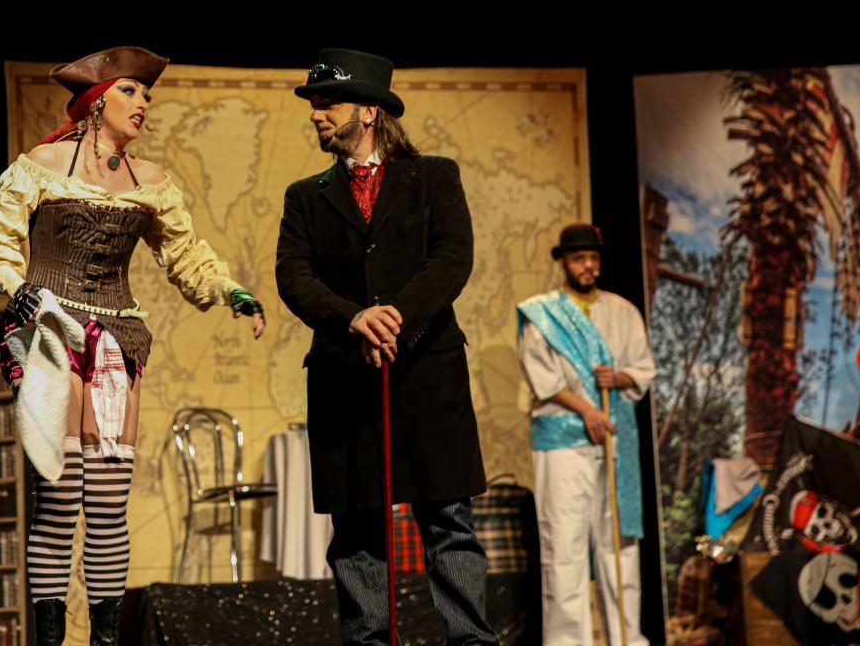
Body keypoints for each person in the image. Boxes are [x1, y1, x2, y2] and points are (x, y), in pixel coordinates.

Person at [0, 46, 265, 646]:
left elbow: (185, 257)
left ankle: (104, 640)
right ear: (97, 103)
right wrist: (21, 291)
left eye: (147, 94)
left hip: (117, 337)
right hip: (50, 331)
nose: (143, 102)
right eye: (131, 91)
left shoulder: (150, 182)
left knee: (107, 501)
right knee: (59, 498)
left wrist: (230, 292)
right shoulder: (44, 164)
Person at [275, 48, 495, 645]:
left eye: (329, 103)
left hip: (427, 372)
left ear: (369, 112)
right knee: (356, 531)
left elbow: (452, 258)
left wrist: (394, 317)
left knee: (448, 520)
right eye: (315, 105)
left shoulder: (434, 177)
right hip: (345, 378)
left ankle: (471, 640)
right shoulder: (305, 196)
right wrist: (353, 319)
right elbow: (293, 275)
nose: (317, 114)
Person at [516, 223, 656, 645]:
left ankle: (626, 639)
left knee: (620, 545)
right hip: (563, 443)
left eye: (594, 258)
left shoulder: (623, 311)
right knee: (565, 547)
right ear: (564, 262)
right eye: (579, 258)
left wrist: (620, 377)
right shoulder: (542, 314)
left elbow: (642, 368)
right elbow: (543, 380)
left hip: (616, 439)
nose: (588, 266)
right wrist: (587, 410)